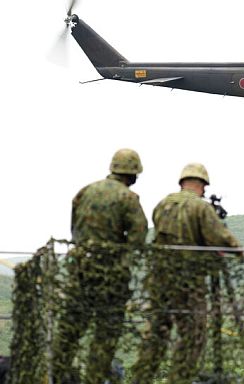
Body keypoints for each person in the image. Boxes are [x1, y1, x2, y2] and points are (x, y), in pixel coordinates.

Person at [131, 163, 240, 384]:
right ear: (202, 185)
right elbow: (220, 238)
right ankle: (178, 379)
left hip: (160, 280)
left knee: (156, 334)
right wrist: (238, 249)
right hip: (188, 283)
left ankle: (141, 379)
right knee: (193, 335)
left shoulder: (163, 205)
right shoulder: (200, 208)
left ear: (182, 182)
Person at [52, 149, 148, 384]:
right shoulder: (128, 198)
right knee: (105, 334)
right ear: (134, 173)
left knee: (69, 329)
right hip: (110, 276)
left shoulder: (85, 192)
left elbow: (75, 229)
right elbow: (138, 237)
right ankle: (94, 380)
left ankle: (54, 376)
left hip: (80, 269)